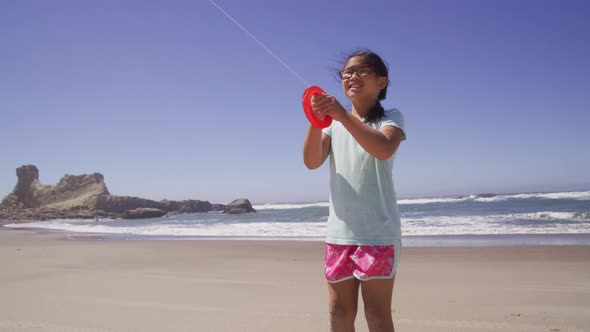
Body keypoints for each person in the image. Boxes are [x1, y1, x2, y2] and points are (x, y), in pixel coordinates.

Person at [302, 49, 406, 332]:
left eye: (361, 71)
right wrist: (317, 119)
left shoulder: (390, 118)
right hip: (339, 234)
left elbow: (383, 149)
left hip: (378, 233)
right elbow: (312, 161)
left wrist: (341, 116)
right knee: (338, 311)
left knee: (376, 313)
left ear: (381, 82)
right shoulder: (333, 125)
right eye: (347, 72)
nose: (351, 76)